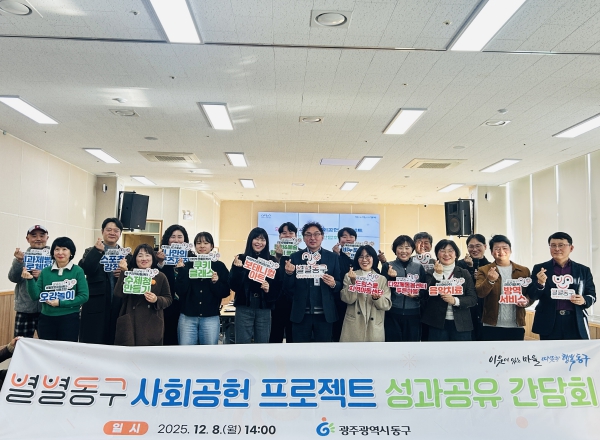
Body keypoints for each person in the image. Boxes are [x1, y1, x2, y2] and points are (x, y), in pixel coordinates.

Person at [529, 232, 596, 340]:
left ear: (571, 248)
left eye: (561, 245)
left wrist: (583, 300)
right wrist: (540, 283)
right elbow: (532, 295)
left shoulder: (583, 270)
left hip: (575, 321)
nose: (557, 249)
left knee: (575, 350)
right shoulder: (539, 268)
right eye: (553, 245)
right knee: (550, 351)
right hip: (549, 321)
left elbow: (592, 295)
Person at [284, 222, 342, 343]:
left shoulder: (333, 257)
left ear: (322, 237)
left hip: (325, 315)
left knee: (323, 351)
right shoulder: (295, 257)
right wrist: (289, 274)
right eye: (308, 234)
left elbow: (340, 284)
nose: (312, 238)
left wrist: (333, 283)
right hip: (301, 314)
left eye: (316, 234)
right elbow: (288, 288)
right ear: (303, 238)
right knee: (300, 351)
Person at [23, 237, 89, 342]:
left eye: (64, 249)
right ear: (53, 253)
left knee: (66, 349)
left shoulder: (78, 271)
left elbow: (84, 296)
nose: (60, 252)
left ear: (71, 252)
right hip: (46, 319)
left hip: (70, 318)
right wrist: (30, 280)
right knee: (47, 349)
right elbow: (35, 295)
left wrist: (60, 303)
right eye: (57, 249)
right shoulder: (45, 271)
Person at [79, 218, 128, 344]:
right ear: (102, 231)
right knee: (94, 340)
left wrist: (124, 272)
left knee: (115, 341)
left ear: (120, 233)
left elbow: (132, 278)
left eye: (116, 230)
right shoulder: (90, 251)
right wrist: (97, 251)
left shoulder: (126, 254)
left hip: (118, 303)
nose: (112, 233)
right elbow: (86, 269)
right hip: (96, 303)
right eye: (109, 230)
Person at [175, 232, 230, 345]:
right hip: (188, 317)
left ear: (212, 246)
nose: (202, 246)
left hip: (210, 317)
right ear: (195, 246)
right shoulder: (188, 264)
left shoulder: (219, 266)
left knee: (209, 353)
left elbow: (225, 292)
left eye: (206, 243)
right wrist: (181, 272)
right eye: (199, 243)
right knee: (185, 352)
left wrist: (215, 282)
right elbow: (180, 291)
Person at [229, 227, 281, 344]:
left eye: (262, 240)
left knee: (262, 344)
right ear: (250, 240)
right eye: (256, 239)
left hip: (264, 309)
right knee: (242, 343)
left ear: (266, 242)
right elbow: (233, 286)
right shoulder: (241, 259)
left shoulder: (272, 261)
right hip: (244, 307)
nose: (259, 242)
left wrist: (269, 289)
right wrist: (238, 270)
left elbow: (278, 288)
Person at [114, 244, 172, 346]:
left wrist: (156, 299)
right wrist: (123, 272)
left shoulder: (160, 276)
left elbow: (168, 299)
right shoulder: (129, 273)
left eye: (147, 255)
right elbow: (118, 294)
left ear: (152, 258)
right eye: (140, 255)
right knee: (128, 350)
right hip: (130, 319)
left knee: (149, 352)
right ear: (135, 258)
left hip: (151, 321)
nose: (144, 258)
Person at [475, 235, 531, 341]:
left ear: (510, 250)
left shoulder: (523, 271)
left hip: (516, 325)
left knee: (514, 352)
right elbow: (479, 293)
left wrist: (526, 301)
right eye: (497, 249)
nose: (501, 251)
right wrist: (490, 280)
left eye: (505, 248)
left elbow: (530, 294)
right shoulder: (484, 270)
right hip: (491, 325)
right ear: (491, 252)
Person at [421, 239, 476, 341]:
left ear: (456, 255)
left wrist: (455, 301)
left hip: (461, 323)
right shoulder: (430, 273)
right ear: (437, 254)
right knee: (438, 351)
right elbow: (427, 295)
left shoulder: (464, 273)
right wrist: (437, 275)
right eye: (442, 251)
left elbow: (472, 299)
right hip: (437, 323)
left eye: (450, 251)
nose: (446, 254)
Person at [340, 245, 391, 342]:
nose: (364, 260)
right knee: (351, 351)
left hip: (374, 325)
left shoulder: (381, 279)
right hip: (354, 326)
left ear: (373, 258)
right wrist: (353, 282)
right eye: (361, 257)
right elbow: (347, 299)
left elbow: (386, 305)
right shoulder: (349, 276)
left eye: (368, 256)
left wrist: (377, 298)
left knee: (373, 351)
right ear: (357, 259)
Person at [382, 235, 427, 342]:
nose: (404, 251)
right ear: (395, 250)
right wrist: (392, 278)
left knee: (411, 346)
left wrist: (416, 295)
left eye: (407, 248)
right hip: (392, 313)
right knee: (393, 345)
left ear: (412, 250)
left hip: (413, 314)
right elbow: (383, 290)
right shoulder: (388, 266)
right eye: (400, 247)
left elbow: (424, 291)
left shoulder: (418, 267)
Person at [8, 225, 49, 338]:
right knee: (21, 342)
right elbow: (13, 278)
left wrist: (43, 275)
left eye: (42, 235)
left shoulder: (54, 257)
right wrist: (19, 261)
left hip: (47, 308)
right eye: (34, 236)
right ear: (28, 239)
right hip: (25, 309)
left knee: (47, 342)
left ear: (47, 238)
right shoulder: (22, 257)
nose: (38, 238)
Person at [156, 224, 190, 345]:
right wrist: (160, 262)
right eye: (173, 236)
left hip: (186, 306)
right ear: (167, 239)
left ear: (185, 240)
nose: (176, 240)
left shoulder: (191, 257)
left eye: (180, 237)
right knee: (167, 337)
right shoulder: (160, 256)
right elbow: (155, 278)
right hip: (166, 305)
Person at [457, 234, 491, 341]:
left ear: (485, 246)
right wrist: (470, 270)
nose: (474, 249)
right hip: (466, 311)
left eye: (478, 246)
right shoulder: (459, 265)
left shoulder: (491, 267)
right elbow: (460, 287)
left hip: (485, 310)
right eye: (471, 246)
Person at [269, 222, 298, 343]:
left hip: (295, 303)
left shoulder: (301, 255)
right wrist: (278, 258)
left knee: (294, 338)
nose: (287, 235)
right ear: (279, 236)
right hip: (276, 303)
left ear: (296, 236)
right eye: (284, 233)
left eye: (291, 233)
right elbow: (272, 278)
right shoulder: (271, 255)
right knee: (275, 338)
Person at [331, 227, 357, 342]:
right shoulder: (334, 255)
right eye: (344, 236)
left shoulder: (360, 256)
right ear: (339, 240)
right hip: (339, 297)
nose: (348, 239)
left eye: (351, 236)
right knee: (339, 326)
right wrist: (336, 255)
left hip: (357, 296)